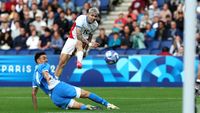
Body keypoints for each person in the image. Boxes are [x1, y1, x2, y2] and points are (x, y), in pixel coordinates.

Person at [32, 52, 119, 111]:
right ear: (38, 60)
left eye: (46, 58)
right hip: (60, 88)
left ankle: (87, 107)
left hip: (55, 98)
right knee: (86, 94)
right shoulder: (43, 65)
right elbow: (45, 73)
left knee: (78, 106)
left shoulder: (34, 78)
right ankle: (107, 104)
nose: (46, 60)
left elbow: (33, 94)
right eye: (44, 58)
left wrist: (36, 110)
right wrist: (47, 78)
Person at [55, 7, 99, 78]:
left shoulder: (95, 25)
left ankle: (79, 62)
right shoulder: (81, 18)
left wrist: (85, 50)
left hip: (83, 41)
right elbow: (78, 35)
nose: (93, 17)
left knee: (79, 43)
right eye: (92, 15)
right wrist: (90, 44)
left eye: (95, 16)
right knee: (62, 62)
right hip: (72, 38)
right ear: (88, 14)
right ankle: (55, 80)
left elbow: (90, 37)